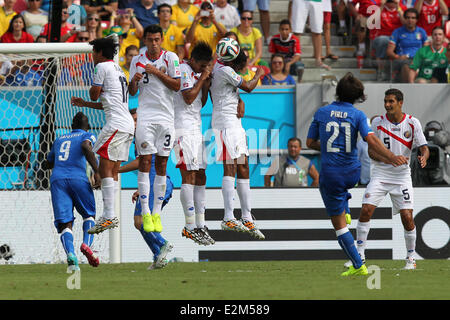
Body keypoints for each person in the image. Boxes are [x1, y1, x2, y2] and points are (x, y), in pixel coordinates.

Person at [306, 72, 408, 276]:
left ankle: (358, 264)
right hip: (353, 173)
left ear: (337, 92)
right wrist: (391, 155)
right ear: (357, 96)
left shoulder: (322, 112)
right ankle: (346, 205)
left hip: (332, 175)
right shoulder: (358, 115)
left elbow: (309, 143)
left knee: (339, 227)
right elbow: (370, 140)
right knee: (341, 190)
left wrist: (328, 146)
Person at [353, 88, 429, 270]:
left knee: (407, 216)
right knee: (366, 210)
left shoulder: (412, 123)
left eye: (391, 102)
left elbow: (423, 146)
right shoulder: (377, 122)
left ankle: (411, 258)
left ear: (400, 103)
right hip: (380, 174)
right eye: (385, 101)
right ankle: (360, 256)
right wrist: (389, 159)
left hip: (402, 176)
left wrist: (424, 156)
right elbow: (371, 152)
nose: (387, 105)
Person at [71, 37, 135, 234]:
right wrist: (85, 104)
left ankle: (109, 215)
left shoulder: (102, 68)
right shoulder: (118, 70)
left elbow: (94, 94)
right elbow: (106, 102)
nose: (92, 56)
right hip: (126, 124)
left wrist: (90, 94)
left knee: (105, 167)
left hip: (116, 124)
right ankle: (110, 214)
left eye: (93, 52)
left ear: (99, 53)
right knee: (113, 169)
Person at [128, 24, 181, 233]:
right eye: (150, 40)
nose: (153, 43)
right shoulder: (136, 60)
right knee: (145, 161)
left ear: (162, 39)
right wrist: (134, 81)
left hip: (166, 117)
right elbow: (132, 92)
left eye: (157, 39)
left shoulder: (171, 58)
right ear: (145, 40)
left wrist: (156, 72)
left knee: (162, 164)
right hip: (146, 117)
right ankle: (146, 212)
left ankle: (157, 213)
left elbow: (177, 86)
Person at [210, 48, 266, 240]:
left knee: (243, 166)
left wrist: (238, 99)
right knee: (230, 166)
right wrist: (258, 73)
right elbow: (249, 86)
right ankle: (227, 216)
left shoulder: (223, 68)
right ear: (233, 63)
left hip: (235, 124)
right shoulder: (224, 70)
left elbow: (230, 91)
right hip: (225, 124)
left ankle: (247, 216)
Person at [43, 112, 101, 272]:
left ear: (71, 126)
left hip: (58, 180)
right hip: (78, 178)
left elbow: (48, 162)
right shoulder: (88, 135)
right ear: (87, 126)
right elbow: (85, 146)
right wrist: (97, 171)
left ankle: (71, 255)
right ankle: (86, 245)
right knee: (89, 215)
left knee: (65, 223)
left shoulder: (59, 139)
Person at [119, 108, 174, 270]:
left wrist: (117, 170)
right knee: (139, 222)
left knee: (142, 220)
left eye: (136, 120)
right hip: (152, 183)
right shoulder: (139, 137)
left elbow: (141, 162)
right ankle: (159, 256)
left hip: (157, 184)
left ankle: (162, 244)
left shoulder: (146, 135)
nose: (134, 123)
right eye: (132, 120)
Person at [173, 41, 215, 246]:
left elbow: (200, 101)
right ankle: (189, 226)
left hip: (196, 129)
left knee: (200, 174)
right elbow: (189, 98)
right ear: (194, 60)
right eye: (201, 66)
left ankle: (200, 224)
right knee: (188, 175)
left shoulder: (197, 74)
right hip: (181, 130)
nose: (203, 69)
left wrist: (205, 84)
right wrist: (203, 79)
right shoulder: (183, 69)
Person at [386, 8, 427, 82]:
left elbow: (426, 49)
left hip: (418, 60)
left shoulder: (421, 31)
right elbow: (389, 51)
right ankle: (411, 85)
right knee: (406, 66)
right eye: (408, 18)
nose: (410, 20)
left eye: (413, 18)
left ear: (416, 20)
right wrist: (398, 57)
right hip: (403, 60)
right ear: (404, 19)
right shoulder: (397, 32)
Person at [288, 0, 331, 70]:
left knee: (317, 30)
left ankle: (318, 59)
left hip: (317, 1)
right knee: (297, 30)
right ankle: (296, 58)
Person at [371, 0, 406, 81]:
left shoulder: (402, 8)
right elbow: (372, 23)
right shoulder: (378, 6)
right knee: (383, 41)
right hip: (382, 36)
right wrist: (382, 6)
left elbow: (405, 23)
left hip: (398, 37)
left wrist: (398, 7)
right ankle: (381, 71)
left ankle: (398, 72)